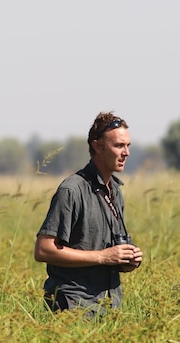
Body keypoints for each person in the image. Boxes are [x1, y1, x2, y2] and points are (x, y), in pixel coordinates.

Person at [34, 112, 144, 314]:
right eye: (119, 146)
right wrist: (103, 257)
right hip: (72, 308)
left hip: (107, 308)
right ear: (98, 146)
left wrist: (126, 260)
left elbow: (107, 254)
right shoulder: (72, 190)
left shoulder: (115, 192)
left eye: (128, 146)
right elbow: (43, 250)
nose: (126, 152)